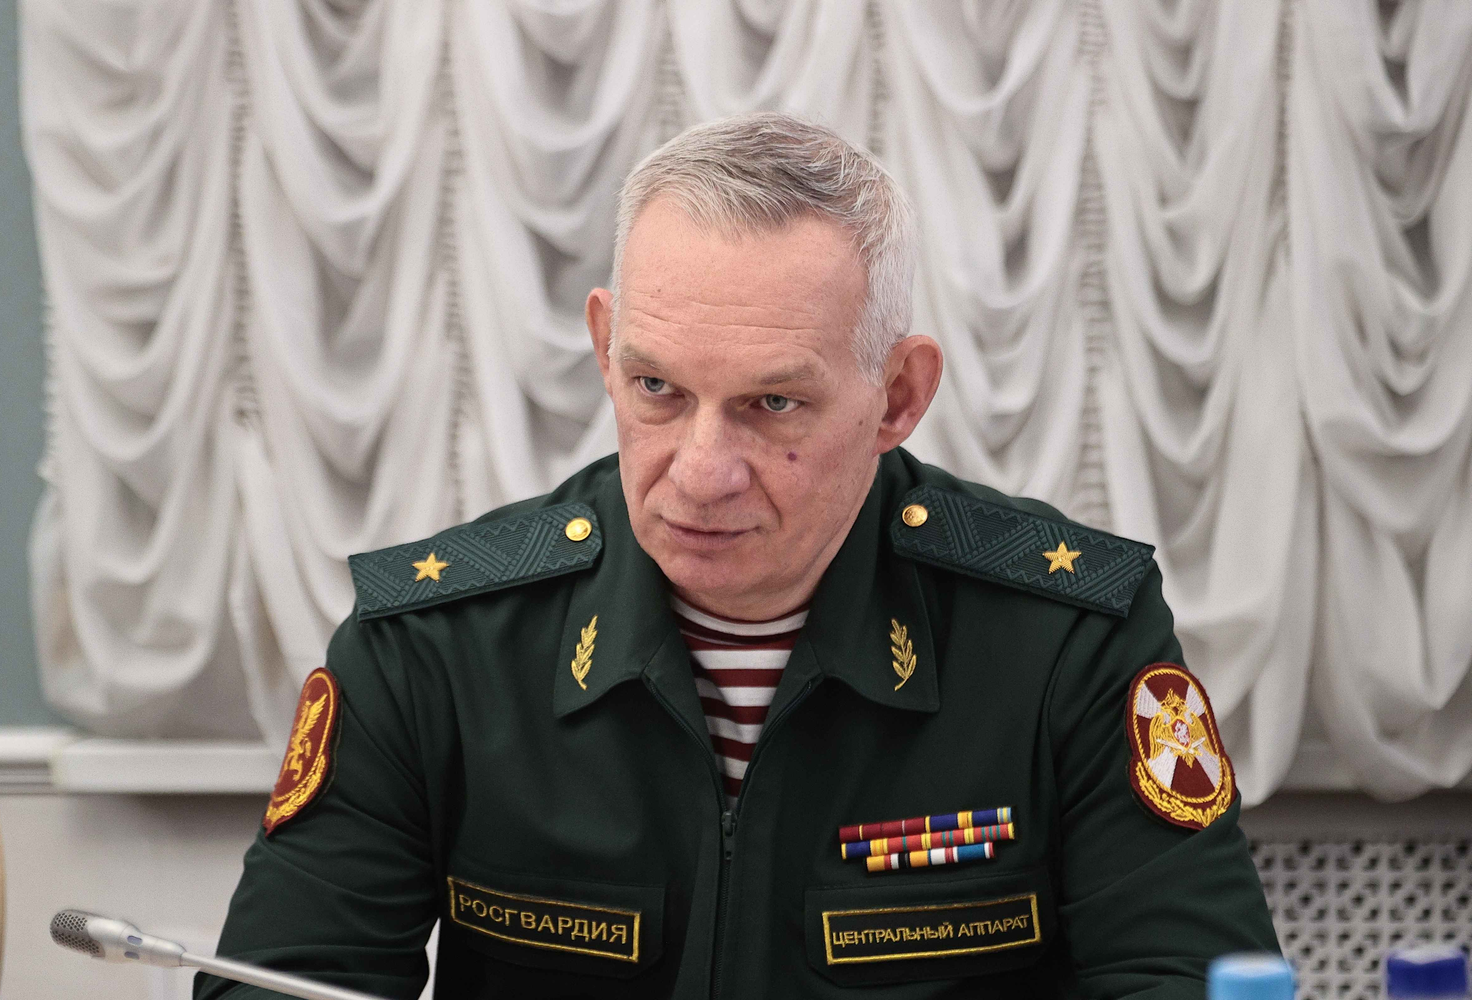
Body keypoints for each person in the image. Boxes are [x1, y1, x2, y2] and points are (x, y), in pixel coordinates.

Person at [196, 112, 1278, 1000]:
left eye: (773, 404)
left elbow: (1189, 980)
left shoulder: (1066, 642)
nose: (702, 471)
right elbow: (280, 985)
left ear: (898, 395)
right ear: (605, 348)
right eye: (657, 389)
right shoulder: (435, 646)